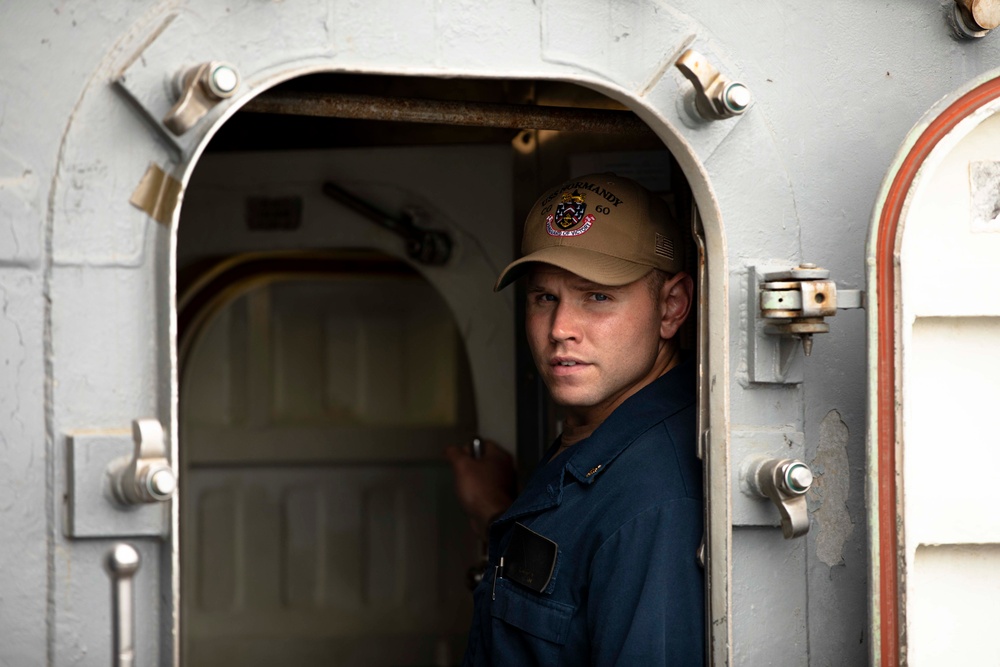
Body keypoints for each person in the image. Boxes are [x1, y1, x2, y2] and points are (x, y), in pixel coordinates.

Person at [446, 172, 705, 665]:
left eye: (597, 296)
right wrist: (493, 514)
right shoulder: (601, 441)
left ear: (671, 307)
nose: (561, 328)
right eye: (545, 297)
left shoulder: (657, 501)